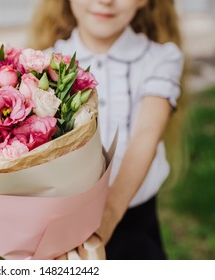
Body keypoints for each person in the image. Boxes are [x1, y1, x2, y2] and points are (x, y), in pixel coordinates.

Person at [28, 0, 186, 259]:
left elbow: (146, 134)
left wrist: (107, 217)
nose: (105, 1)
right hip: (61, 230)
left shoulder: (161, 59)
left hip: (135, 225)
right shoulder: (43, 64)